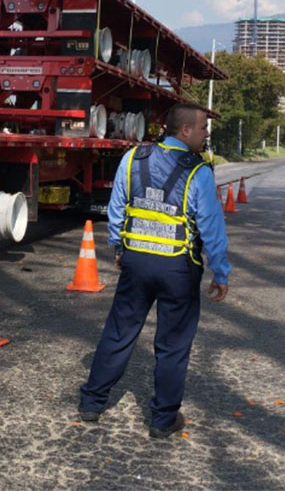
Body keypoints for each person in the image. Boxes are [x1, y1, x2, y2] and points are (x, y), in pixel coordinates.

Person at [78, 103, 231, 437]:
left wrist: (119, 248)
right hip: (178, 268)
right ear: (185, 130)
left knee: (119, 331)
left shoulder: (134, 158)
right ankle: (162, 420)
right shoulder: (199, 171)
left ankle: (91, 402)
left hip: (136, 262)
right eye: (203, 127)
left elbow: (117, 208)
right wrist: (220, 272)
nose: (206, 134)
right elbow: (211, 228)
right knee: (173, 345)